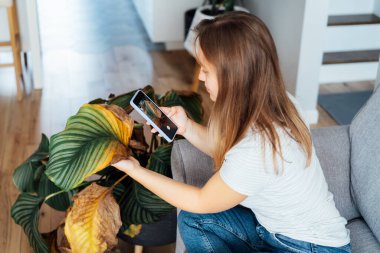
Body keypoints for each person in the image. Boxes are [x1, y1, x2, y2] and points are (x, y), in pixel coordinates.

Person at [112, 12, 351, 253]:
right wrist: (187, 127)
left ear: (233, 77)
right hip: (271, 229)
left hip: (311, 247)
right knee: (193, 222)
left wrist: (135, 171)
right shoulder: (276, 102)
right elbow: (225, 147)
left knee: (196, 212)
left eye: (206, 70)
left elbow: (201, 201)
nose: (200, 77)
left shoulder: (258, 147)